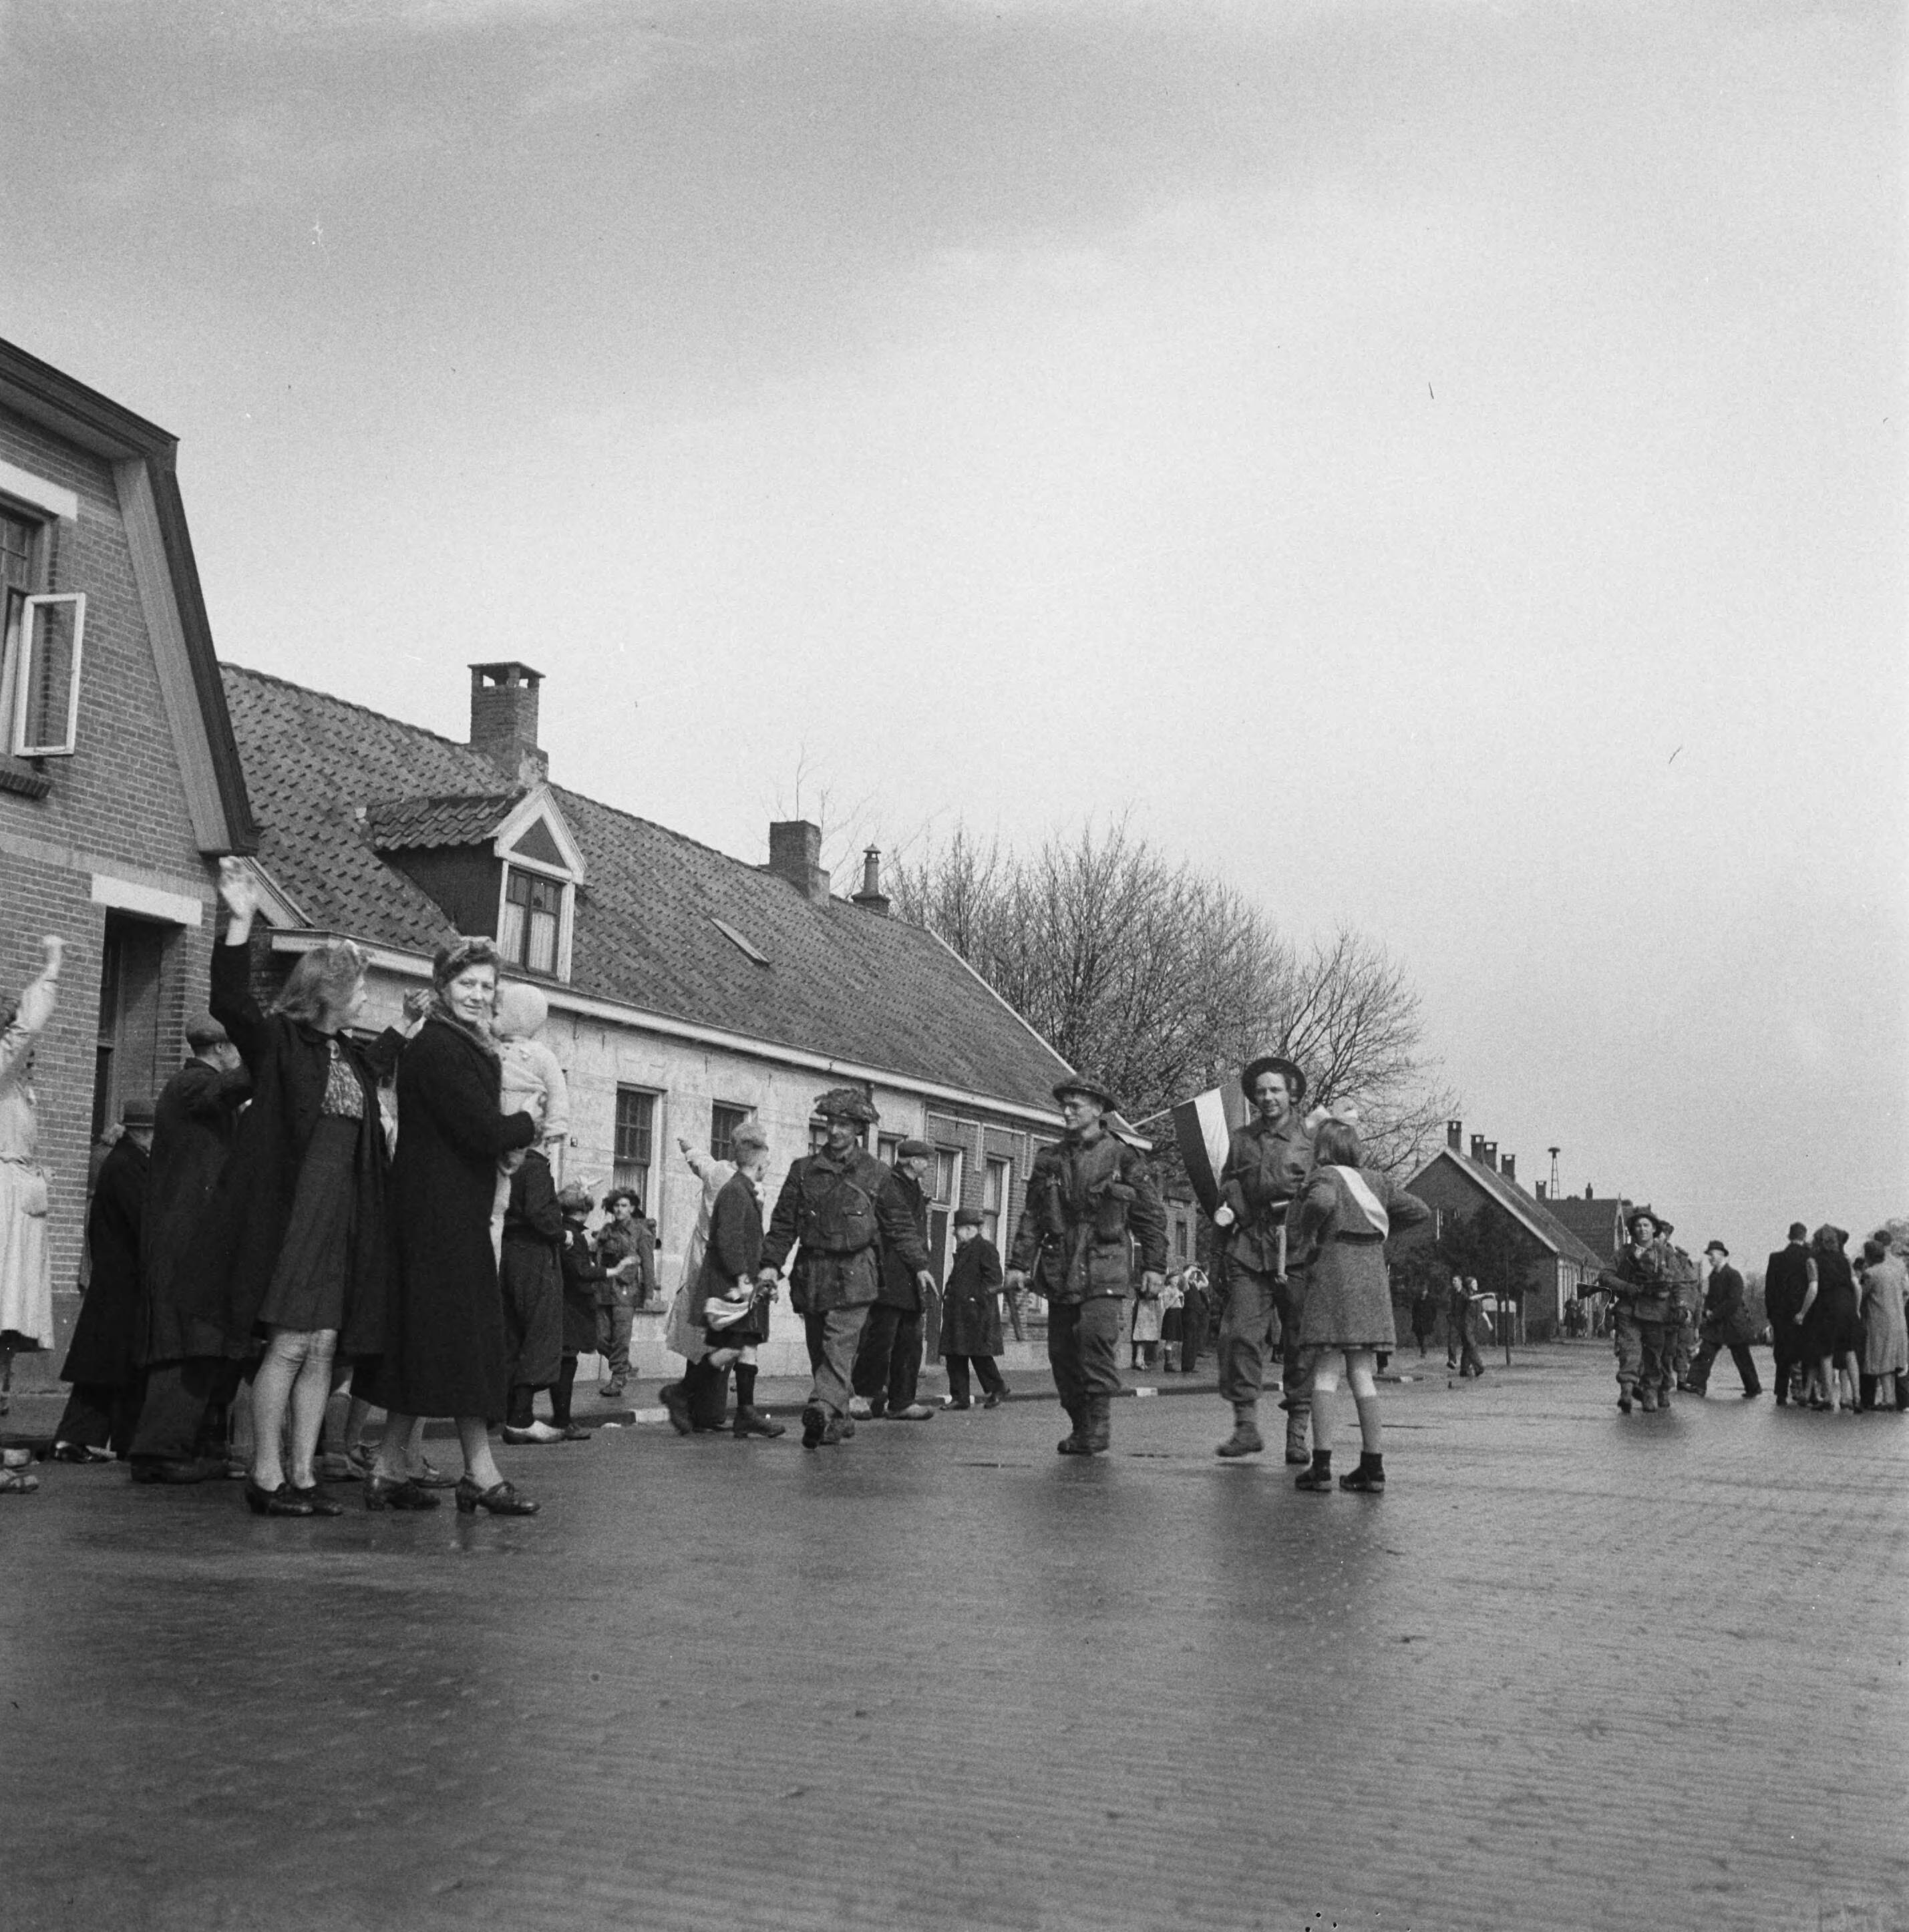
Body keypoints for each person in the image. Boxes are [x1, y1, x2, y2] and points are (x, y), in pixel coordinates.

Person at [182, 863, 407, 1517]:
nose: (364, 999)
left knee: (324, 1347)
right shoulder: (281, 1041)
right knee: (286, 1344)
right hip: (294, 1213)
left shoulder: (350, 1055)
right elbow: (231, 1002)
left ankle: (304, 1474)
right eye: (358, 988)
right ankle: (266, 1473)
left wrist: (407, 1025)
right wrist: (239, 920)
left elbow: (373, 1074)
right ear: (329, 992)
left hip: (342, 1217)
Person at [357, 936, 540, 1514]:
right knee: (466, 1342)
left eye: (487, 986)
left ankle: (388, 1467)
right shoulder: (441, 1047)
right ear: (442, 987)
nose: (478, 995)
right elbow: (482, 1131)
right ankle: (480, 1474)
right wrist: (528, 1122)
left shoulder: (453, 1042)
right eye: (467, 984)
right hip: (442, 1220)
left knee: (423, 1340)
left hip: (436, 1214)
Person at [758, 1087, 933, 1449]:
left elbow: (900, 1224)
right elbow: (783, 1225)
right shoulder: (803, 1171)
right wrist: (770, 1266)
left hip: (856, 1273)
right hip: (812, 1273)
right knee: (821, 1353)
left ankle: (820, 1407)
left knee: (838, 1347)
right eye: (831, 1123)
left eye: (844, 1125)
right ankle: (839, 1420)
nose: (835, 1131)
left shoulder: (877, 1174)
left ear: (858, 1130)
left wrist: (919, 1265)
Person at [1006, 1075, 1166, 1457]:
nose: (1066, 1112)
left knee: (1095, 1341)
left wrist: (1154, 1267)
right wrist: (1018, 1265)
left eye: (1075, 1105)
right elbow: (1032, 1217)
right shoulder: (1050, 1159)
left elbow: (1150, 1217)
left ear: (1098, 1110)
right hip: (1060, 1266)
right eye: (1064, 1105)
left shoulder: (1124, 1158)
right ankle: (1080, 1425)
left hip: (1105, 1264)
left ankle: (1098, 1425)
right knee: (1062, 1355)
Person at [127, 1013, 251, 1483]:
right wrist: (270, 1054)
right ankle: (159, 1451)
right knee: (184, 1343)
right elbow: (230, 1088)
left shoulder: (193, 1091)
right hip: (187, 1241)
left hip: (197, 1237)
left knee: (204, 1343)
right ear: (220, 1049)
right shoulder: (191, 1084)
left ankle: (196, 1445)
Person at [1290, 1117, 1429, 1492]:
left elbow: (1321, 1202)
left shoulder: (1324, 1177)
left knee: (1325, 1373)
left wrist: (1309, 1232)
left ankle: (1321, 1466)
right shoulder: (1378, 1181)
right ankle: (1373, 1466)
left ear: (1322, 1148)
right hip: (1370, 1281)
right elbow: (1419, 1210)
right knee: (1363, 1374)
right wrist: (1378, 1233)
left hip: (1334, 1277)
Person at [1210, 1054, 1313, 1463]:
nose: (1268, 1097)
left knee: (1300, 1341)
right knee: (1238, 1335)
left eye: (1275, 1090)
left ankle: (1297, 1433)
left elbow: (1330, 1187)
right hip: (1251, 1246)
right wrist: (1232, 1206)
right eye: (1261, 1091)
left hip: (1299, 1249)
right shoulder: (1242, 1139)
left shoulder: (1311, 1138)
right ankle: (1246, 1427)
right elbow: (1228, 1183)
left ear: (1292, 1094)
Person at [50, 1098, 155, 1462]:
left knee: (112, 1365)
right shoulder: (127, 1165)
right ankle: (74, 1439)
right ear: (145, 1132)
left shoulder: (127, 1161)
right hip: (120, 1283)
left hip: (119, 1282)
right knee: (104, 1365)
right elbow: (142, 1219)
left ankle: (104, 1439)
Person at [677, 1121, 782, 1439]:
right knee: (735, 1348)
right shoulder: (736, 1191)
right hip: (732, 1287)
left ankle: (746, 1414)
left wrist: (765, 1279)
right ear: (759, 1161)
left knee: (747, 1347)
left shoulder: (743, 1190)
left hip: (743, 1285)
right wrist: (743, 1279)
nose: (768, 1167)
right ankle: (679, 1394)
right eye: (767, 1161)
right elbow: (729, 1240)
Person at [0, 936, 63, 1395]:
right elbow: (27, 1029)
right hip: (3, 1199)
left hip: (17, 1198)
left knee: (11, 1309)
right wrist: (52, 967)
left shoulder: (18, 1087)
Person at [851, 1137, 938, 1421]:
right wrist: (920, 1265)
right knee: (881, 1338)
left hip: (910, 1277)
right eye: (926, 1160)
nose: (928, 1165)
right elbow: (898, 1229)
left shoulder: (913, 1188)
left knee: (910, 1341)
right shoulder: (891, 1185)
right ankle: (863, 1395)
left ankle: (901, 1401)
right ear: (913, 1161)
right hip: (890, 1273)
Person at [490, 980, 569, 1262]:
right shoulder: (490, 1050)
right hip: (500, 1129)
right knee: (494, 1201)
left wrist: (555, 1126)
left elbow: (557, 1093)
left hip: (522, 1133)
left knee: (499, 1201)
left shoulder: (541, 1056)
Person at [499, 1146, 568, 1446]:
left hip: (507, 1251)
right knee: (541, 1332)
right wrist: (563, 1234)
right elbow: (538, 1212)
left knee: (512, 1334)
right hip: (534, 1253)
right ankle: (521, 1417)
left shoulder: (504, 1163)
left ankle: (507, 1412)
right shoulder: (535, 1167)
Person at [1592, 1209, 1677, 1414]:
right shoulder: (1624, 1253)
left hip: (1657, 1313)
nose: (1642, 1229)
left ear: (1654, 1229)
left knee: (1653, 1356)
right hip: (1629, 1310)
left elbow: (1679, 1283)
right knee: (1630, 1352)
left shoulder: (1665, 1254)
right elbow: (1605, 1276)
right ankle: (1627, 1392)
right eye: (1638, 1226)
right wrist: (1625, 1286)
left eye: (1646, 1225)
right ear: (1633, 1230)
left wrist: (1683, 1307)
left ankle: (1649, 1393)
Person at [940, 1206, 1007, 1409]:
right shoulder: (965, 1250)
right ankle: (960, 1397)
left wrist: (974, 1298)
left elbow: (994, 1280)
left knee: (978, 1355)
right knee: (955, 1354)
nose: (955, 1234)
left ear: (969, 1229)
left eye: (958, 1229)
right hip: (959, 1311)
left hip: (976, 1313)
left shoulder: (985, 1248)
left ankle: (997, 1388)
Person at [552, 1183, 604, 1440]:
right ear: (584, 1210)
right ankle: (563, 1420)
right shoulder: (574, 1235)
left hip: (563, 1303)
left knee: (564, 1361)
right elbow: (581, 1272)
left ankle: (562, 1419)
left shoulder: (562, 1230)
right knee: (567, 1362)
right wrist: (611, 1271)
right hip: (572, 1306)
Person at [1795, 1224, 1860, 1412]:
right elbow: (1856, 1286)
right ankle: (1856, 1398)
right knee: (1850, 1352)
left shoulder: (1813, 1261)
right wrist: (1856, 1309)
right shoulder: (1846, 1260)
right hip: (1847, 1306)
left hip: (1827, 1308)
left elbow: (1813, 1288)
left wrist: (1802, 1312)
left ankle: (1829, 1398)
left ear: (1817, 1242)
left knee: (1826, 1354)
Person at [594, 1187, 650, 1398]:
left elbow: (648, 1264)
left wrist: (649, 1294)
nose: (619, 1209)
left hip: (626, 1291)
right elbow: (596, 1255)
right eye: (616, 1205)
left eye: (624, 1205)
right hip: (604, 1290)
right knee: (599, 1338)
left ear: (632, 1208)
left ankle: (617, 1379)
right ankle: (624, 1366)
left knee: (620, 1338)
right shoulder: (606, 1231)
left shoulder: (641, 1232)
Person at [1687, 1241, 1761, 1398]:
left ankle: (1753, 1388)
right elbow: (1710, 1298)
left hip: (1733, 1322)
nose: (1710, 1258)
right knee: (1706, 1351)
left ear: (1721, 1255)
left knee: (1742, 1356)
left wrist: (1713, 1314)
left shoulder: (1733, 1275)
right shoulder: (1713, 1276)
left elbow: (1733, 1302)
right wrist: (1707, 1310)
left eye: (1712, 1255)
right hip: (1717, 1324)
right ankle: (1697, 1385)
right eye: (1709, 1256)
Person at [1763, 1221, 1814, 1406]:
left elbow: (1770, 1289)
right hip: (1805, 1312)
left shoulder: (1776, 1258)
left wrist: (1771, 1314)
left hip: (1781, 1313)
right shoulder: (1810, 1257)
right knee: (1806, 1353)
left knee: (1782, 1354)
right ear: (1804, 1236)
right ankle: (1808, 1392)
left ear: (1789, 1236)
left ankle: (1781, 1393)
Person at [1856, 1235, 1908, 1411]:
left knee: (1881, 1359)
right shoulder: (1895, 1271)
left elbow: (1861, 1295)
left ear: (1868, 1256)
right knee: (1893, 1361)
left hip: (1879, 1322)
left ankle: (1888, 1399)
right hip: (1899, 1320)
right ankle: (1890, 1398)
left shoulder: (1870, 1274)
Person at [1449, 1275, 1486, 1379]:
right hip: (1466, 1325)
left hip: (1472, 1325)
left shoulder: (1474, 1296)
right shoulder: (1466, 1295)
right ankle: (1479, 1368)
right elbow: (1469, 1300)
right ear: (1470, 1285)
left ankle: (1464, 1370)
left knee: (1467, 1347)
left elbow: (1481, 1310)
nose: (1477, 1285)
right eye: (1474, 1283)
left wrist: (1488, 1322)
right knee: (1471, 1346)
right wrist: (1486, 1294)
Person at [1178, 1264, 1210, 1374]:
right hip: (1189, 1314)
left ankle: (1191, 1365)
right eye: (1193, 1273)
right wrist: (1189, 1270)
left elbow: (1206, 1283)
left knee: (1194, 1340)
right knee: (1189, 1339)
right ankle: (1186, 1366)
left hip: (1196, 1314)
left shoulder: (1195, 1284)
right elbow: (1183, 1278)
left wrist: (1201, 1273)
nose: (1194, 1274)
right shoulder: (1185, 1284)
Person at [1130, 1270, 1163, 1371]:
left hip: (1148, 1309)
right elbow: (1145, 1292)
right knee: (1142, 1336)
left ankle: (1141, 1359)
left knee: (1145, 1337)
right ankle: (1138, 1360)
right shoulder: (1145, 1282)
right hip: (1144, 1309)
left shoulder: (1149, 1278)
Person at [1410, 1282, 1440, 1358]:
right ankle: (1422, 1348)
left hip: (1427, 1321)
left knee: (1425, 1337)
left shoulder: (1431, 1300)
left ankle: (1424, 1352)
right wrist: (1415, 1318)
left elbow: (1434, 1310)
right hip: (1418, 1321)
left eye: (1425, 1291)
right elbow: (1414, 1310)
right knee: (1419, 1336)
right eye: (1422, 1291)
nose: (1424, 1292)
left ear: (1427, 1291)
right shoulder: (1417, 1300)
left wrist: (1432, 1319)